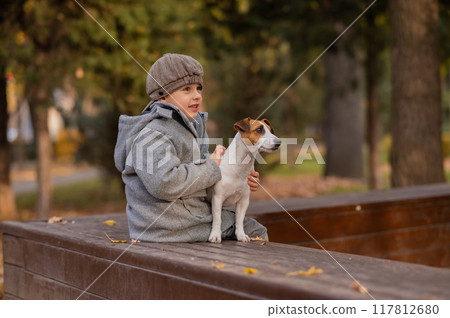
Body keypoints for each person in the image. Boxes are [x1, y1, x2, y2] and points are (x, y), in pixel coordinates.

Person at [114, 53, 268, 242]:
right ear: (161, 98)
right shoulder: (151, 134)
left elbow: (201, 174)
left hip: (182, 218)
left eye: (198, 88)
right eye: (186, 89)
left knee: (248, 226)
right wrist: (211, 166)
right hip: (166, 225)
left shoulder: (188, 125)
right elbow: (165, 183)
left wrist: (237, 175)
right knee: (254, 231)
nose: (197, 95)